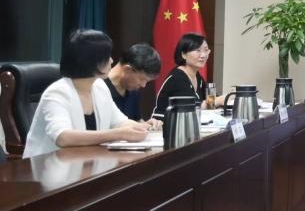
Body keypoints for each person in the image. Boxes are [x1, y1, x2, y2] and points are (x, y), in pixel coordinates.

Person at [22, 29, 150, 158]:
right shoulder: (57, 93)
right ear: (91, 61)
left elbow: (120, 121)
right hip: (48, 165)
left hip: (85, 162)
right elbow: (63, 137)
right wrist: (118, 134)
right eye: (107, 57)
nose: (112, 61)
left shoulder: (99, 86)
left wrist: (145, 128)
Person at [153, 33, 223, 120]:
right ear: (184, 54)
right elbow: (193, 107)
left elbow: (208, 100)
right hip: (164, 124)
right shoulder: (178, 78)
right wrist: (218, 100)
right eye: (198, 50)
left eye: (206, 50)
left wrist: (222, 100)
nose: (203, 55)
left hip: (187, 122)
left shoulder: (197, 76)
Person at [104, 43, 162, 126]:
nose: (143, 85)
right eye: (142, 79)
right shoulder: (100, 88)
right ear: (127, 70)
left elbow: (136, 120)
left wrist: (148, 125)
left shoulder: (132, 89)